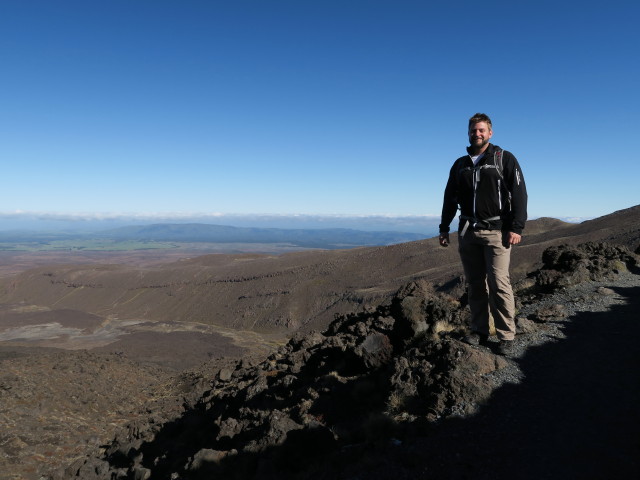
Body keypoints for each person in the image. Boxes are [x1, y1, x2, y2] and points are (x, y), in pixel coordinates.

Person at [439, 113, 528, 355]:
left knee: (499, 283)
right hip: (468, 231)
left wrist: (516, 227)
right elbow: (450, 198)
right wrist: (444, 227)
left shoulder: (503, 159)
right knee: (475, 284)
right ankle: (479, 330)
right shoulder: (461, 164)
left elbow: (519, 194)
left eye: (481, 130)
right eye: (473, 130)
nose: (477, 134)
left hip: (497, 232)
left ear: (490, 133)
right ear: (468, 133)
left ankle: (506, 335)